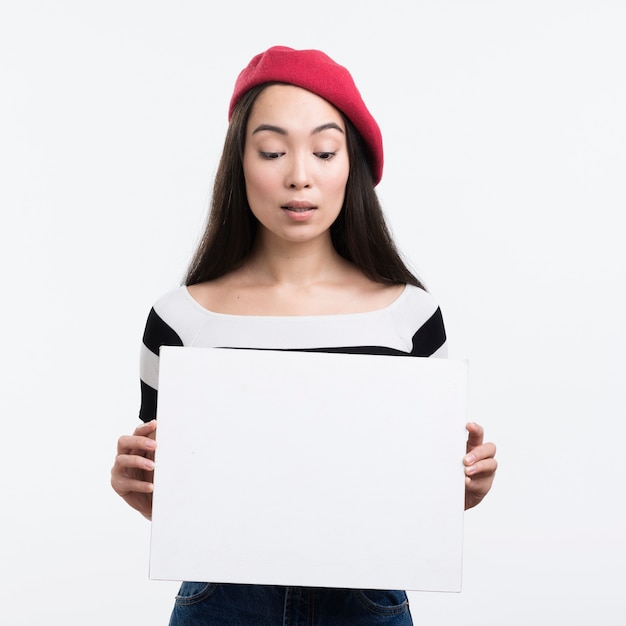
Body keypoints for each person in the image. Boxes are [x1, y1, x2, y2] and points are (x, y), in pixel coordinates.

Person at [111, 45, 497, 625]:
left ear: (352, 166)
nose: (299, 175)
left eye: (323, 151)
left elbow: (418, 490)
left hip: (367, 602)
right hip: (222, 601)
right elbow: (179, 490)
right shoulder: (178, 319)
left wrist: (463, 486)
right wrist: (138, 484)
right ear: (239, 163)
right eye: (272, 150)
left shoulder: (410, 317)